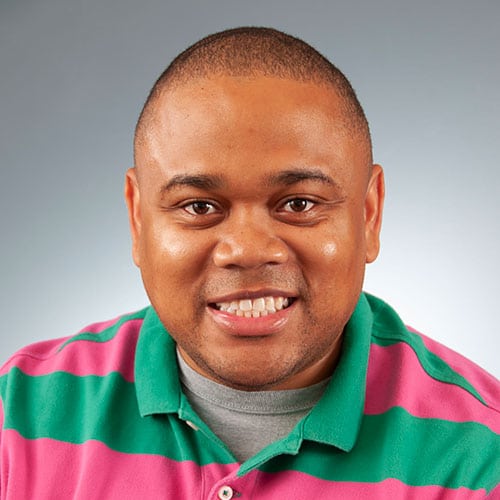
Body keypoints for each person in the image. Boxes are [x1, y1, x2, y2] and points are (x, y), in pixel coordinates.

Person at [0, 27, 498, 499]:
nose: (247, 250)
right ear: (137, 218)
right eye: (199, 207)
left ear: (368, 215)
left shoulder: (483, 453)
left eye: (299, 203)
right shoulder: (16, 415)